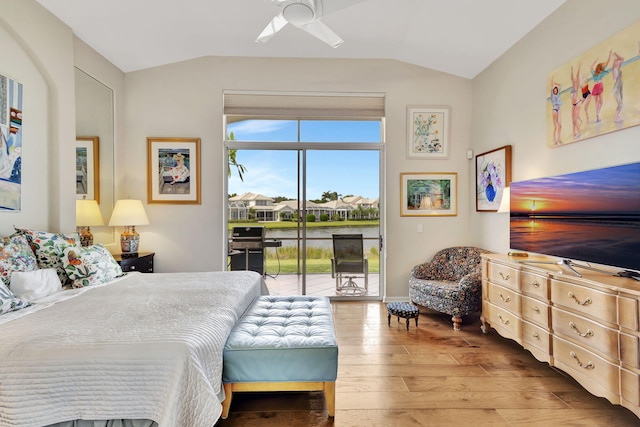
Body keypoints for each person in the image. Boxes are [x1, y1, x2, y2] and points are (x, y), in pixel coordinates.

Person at [590, 49, 612, 122]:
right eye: (601, 67)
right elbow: (591, 67)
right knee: (597, 102)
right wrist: (595, 61)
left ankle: (598, 114)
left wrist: (609, 54)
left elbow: (607, 62)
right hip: (597, 87)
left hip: (598, 86)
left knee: (601, 101)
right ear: (599, 67)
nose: (603, 68)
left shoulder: (601, 72)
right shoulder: (594, 73)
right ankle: (597, 116)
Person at [570, 64, 583, 138]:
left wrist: (578, 67)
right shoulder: (572, 87)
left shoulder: (576, 86)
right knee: (573, 120)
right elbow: (572, 77)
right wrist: (571, 70)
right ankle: (574, 132)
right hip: (573, 104)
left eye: (575, 80)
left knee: (575, 119)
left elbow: (576, 76)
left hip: (577, 103)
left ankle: (579, 132)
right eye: (573, 80)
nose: (574, 80)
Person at [611, 51, 624, 122]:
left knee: (620, 104)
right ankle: (616, 117)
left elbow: (622, 59)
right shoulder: (615, 69)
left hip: (617, 89)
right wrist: (615, 54)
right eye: (616, 61)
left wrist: (616, 56)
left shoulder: (615, 69)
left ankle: (618, 117)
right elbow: (622, 59)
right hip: (616, 90)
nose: (618, 62)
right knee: (620, 104)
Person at [550, 77, 562, 144]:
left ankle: (559, 138)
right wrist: (552, 82)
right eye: (554, 90)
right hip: (554, 109)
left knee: (560, 125)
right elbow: (552, 88)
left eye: (556, 90)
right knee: (555, 126)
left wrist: (555, 83)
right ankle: (555, 140)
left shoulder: (558, 94)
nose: (555, 91)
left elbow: (560, 86)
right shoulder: (552, 96)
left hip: (559, 108)